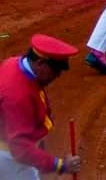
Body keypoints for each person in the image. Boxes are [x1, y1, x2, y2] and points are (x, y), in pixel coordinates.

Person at [0, 34, 83, 178]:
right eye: (55, 71)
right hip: (8, 159)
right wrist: (60, 165)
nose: (57, 76)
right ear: (40, 63)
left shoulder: (13, 64)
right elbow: (20, 148)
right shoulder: (18, 96)